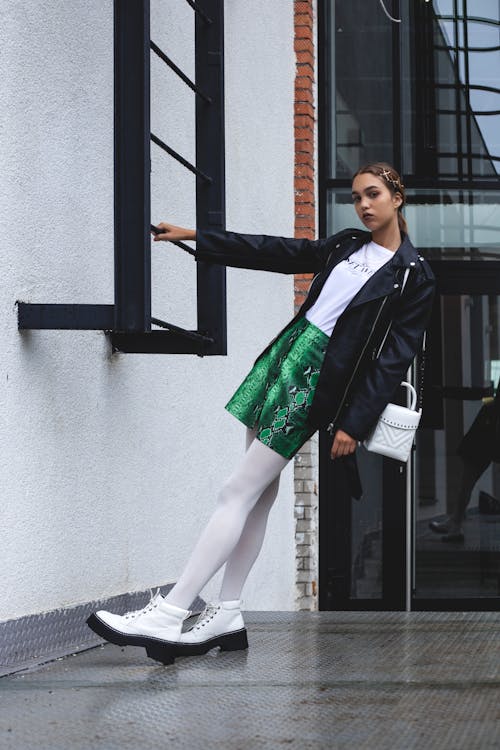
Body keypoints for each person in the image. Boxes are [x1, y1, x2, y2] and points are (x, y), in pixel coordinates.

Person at [87, 162, 435, 665]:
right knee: (259, 495)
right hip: (286, 355)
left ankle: (172, 610)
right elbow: (279, 252)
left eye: (373, 194)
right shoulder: (345, 245)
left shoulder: (413, 276)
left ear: (397, 198)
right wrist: (196, 236)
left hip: (315, 380)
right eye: (357, 196)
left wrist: (353, 423)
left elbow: (392, 358)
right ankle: (227, 611)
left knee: (237, 491)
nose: (363, 205)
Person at [429, 381, 500, 543]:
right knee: (465, 484)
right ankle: (455, 523)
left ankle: (455, 524)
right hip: (487, 434)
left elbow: (491, 398)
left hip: (486, 436)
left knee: (466, 483)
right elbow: (490, 398)